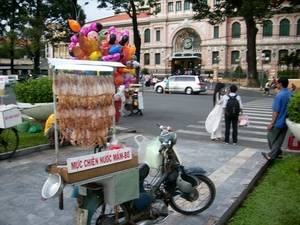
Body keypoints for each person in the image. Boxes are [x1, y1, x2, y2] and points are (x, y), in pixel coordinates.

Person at [261, 77, 293, 161]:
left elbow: (276, 111)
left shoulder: (279, 95)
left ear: (280, 84)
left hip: (278, 121)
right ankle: (277, 153)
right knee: (279, 139)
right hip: (286, 120)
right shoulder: (290, 94)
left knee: (270, 136)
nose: (276, 84)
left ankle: (272, 154)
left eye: (277, 83)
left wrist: (272, 123)